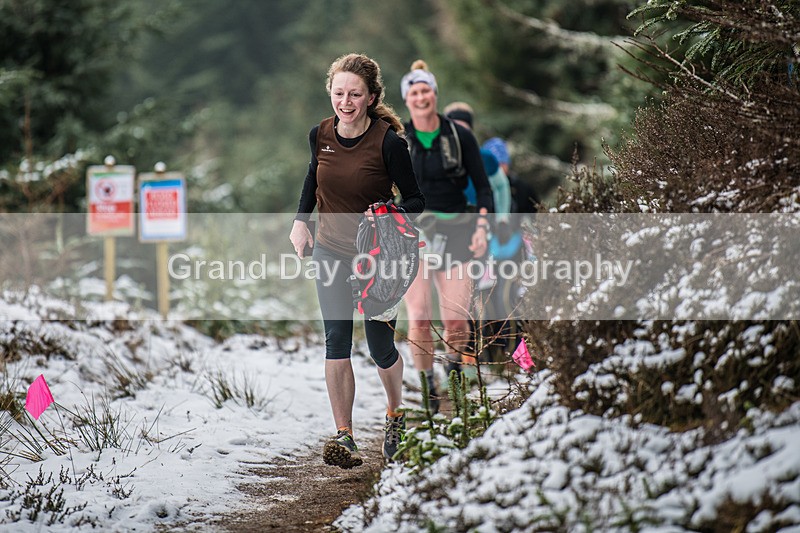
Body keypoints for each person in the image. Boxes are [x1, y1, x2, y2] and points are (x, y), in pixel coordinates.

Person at [289, 53, 425, 467]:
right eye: (338, 93)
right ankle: (344, 436)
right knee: (336, 340)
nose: (345, 102)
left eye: (354, 95)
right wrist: (300, 222)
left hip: (378, 258)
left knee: (381, 347)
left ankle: (395, 415)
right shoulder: (320, 134)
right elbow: (313, 177)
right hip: (330, 250)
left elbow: (416, 200)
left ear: (371, 98)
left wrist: (388, 213)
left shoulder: (389, 143)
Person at [400, 60, 493, 412]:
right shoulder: (398, 139)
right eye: (414, 92)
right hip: (412, 235)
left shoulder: (460, 136)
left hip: (457, 232)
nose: (421, 97)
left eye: (426, 90)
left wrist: (482, 227)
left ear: (435, 95)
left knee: (455, 318)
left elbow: (483, 188)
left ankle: (453, 369)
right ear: (406, 99)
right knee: (419, 316)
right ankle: (428, 387)